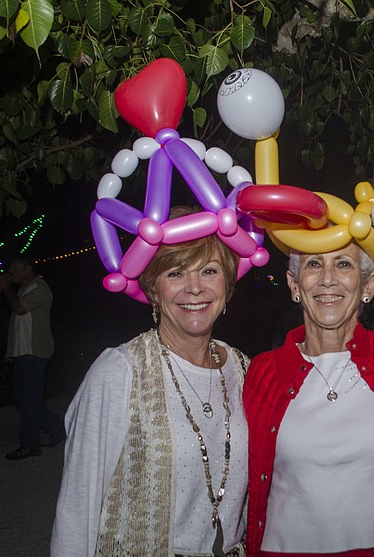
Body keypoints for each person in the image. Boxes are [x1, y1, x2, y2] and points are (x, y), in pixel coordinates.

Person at [51, 207, 250, 557]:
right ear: (154, 289)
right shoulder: (120, 371)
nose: (195, 288)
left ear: (227, 284)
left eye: (209, 270)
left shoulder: (244, 369)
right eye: (176, 273)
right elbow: (78, 506)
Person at [243, 241, 374, 557]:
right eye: (314, 264)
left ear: (368, 284)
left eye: (343, 264)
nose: (328, 278)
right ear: (294, 284)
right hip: (286, 549)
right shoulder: (263, 372)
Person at [0, 257, 64, 460]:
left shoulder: (40, 289)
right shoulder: (23, 290)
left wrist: (6, 288)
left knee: (29, 399)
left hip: (35, 353)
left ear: (27, 269)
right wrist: (11, 352)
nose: (10, 271)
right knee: (24, 399)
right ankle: (56, 426)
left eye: (14, 267)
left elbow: (19, 309)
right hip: (23, 353)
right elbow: (17, 325)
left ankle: (30, 445)